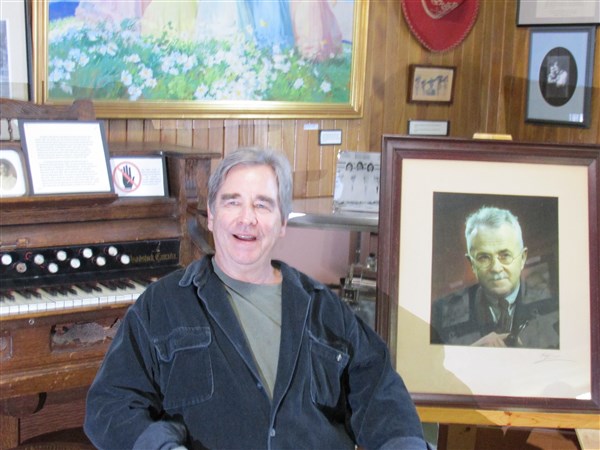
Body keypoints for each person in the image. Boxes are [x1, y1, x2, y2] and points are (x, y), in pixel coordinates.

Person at [84, 147, 429, 449]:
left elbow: (381, 397)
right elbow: (110, 405)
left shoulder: (325, 310)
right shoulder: (161, 305)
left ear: (282, 223)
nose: (246, 219)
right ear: (212, 213)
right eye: (232, 202)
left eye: (262, 205)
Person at [430, 206, 559, 349]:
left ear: (522, 258)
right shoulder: (439, 315)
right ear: (472, 264)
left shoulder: (558, 306)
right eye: (484, 257)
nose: (496, 268)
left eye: (505, 255)